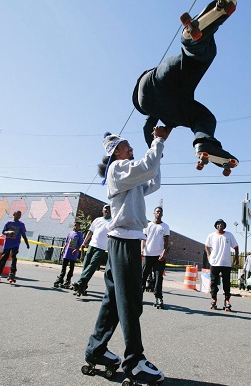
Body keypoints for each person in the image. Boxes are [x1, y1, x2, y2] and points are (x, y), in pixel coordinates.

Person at [83, 128, 170, 384]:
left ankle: (96, 349)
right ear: (115, 152)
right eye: (127, 146)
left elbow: (152, 180)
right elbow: (146, 167)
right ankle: (134, 361)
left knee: (113, 301)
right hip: (124, 240)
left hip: (125, 241)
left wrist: (157, 155)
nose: (131, 150)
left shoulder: (128, 176)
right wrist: (158, 141)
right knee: (131, 301)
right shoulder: (118, 168)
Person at [132, 0, 237, 166]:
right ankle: (190, 39)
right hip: (156, 78)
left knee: (204, 117)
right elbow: (147, 128)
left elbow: (147, 127)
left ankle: (205, 143)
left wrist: (154, 148)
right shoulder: (169, 115)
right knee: (193, 60)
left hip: (146, 98)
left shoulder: (163, 114)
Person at [72, 205, 112, 296]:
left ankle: (80, 283)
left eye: (109, 210)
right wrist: (84, 243)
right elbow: (90, 232)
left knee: (92, 265)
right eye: (106, 209)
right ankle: (82, 287)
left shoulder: (112, 222)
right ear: (102, 211)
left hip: (101, 248)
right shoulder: (97, 220)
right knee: (86, 265)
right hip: (92, 245)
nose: (107, 211)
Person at [205, 219, 239, 311]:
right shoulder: (211, 236)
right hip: (215, 263)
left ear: (224, 226)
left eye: (222, 224)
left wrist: (236, 258)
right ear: (216, 226)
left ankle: (227, 300)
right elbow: (207, 246)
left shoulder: (229, 235)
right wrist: (209, 256)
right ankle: (213, 299)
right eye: (218, 224)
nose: (220, 225)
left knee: (226, 283)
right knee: (213, 282)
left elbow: (236, 247)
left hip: (226, 264)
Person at [141, 206, 170, 309]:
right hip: (148, 255)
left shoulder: (165, 227)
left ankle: (158, 298)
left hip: (159, 257)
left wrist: (164, 253)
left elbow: (166, 242)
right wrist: (142, 249)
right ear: (154, 213)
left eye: (160, 212)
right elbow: (144, 239)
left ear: (162, 214)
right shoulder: (148, 225)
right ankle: (138, 296)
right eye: (157, 211)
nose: (159, 213)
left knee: (158, 278)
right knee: (143, 276)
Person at [0, 210, 30, 283]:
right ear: (14, 214)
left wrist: (27, 243)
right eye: (17, 214)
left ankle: (12, 273)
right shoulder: (8, 223)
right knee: (3, 258)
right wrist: (8, 232)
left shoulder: (21, 224)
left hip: (15, 244)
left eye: (20, 215)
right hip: (7, 243)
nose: (19, 216)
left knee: (13, 257)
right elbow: (3, 232)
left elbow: (23, 234)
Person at [54, 222, 84, 289]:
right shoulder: (70, 233)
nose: (75, 227)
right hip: (67, 252)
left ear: (79, 227)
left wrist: (76, 250)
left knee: (71, 267)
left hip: (73, 253)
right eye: (75, 225)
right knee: (64, 266)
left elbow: (80, 244)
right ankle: (61, 278)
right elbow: (66, 242)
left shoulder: (79, 235)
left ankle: (68, 280)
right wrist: (63, 249)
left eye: (77, 226)